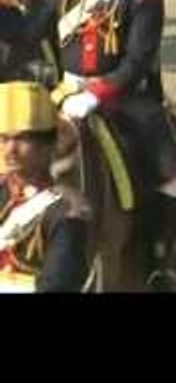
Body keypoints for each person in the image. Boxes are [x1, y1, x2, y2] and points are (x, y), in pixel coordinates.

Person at [49, 0, 176, 289]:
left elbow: (137, 61)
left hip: (126, 101)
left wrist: (97, 94)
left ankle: (160, 264)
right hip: (64, 93)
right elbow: (39, 33)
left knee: (172, 178)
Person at [0, 80, 91, 292]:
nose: (10, 150)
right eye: (3, 139)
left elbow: (59, 284)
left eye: (22, 139)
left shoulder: (67, 213)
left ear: (48, 145)